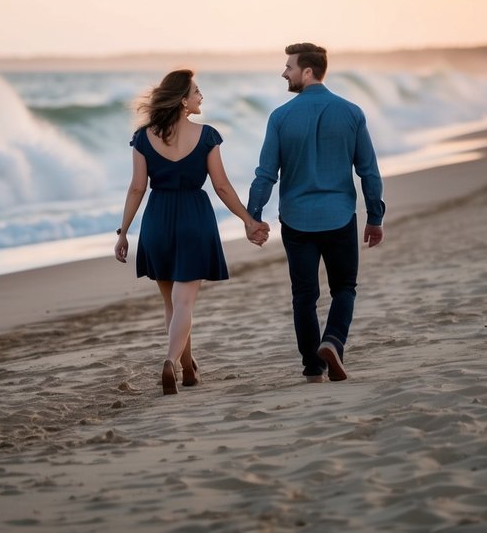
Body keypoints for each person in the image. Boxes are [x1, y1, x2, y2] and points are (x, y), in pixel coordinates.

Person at [115, 69, 269, 395]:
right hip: (194, 219)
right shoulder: (208, 135)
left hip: (157, 220)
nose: (201, 97)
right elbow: (222, 187)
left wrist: (124, 231)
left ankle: (188, 368)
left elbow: (136, 188)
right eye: (197, 92)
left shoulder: (144, 137)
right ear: (184, 100)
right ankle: (171, 362)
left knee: (172, 306)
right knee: (184, 303)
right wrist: (247, 220)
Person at [246, 43, 385, 383]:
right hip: (339, 216)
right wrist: (375, 216)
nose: (284, 72)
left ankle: (312, 368)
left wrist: (254, 215)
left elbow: (266, 174)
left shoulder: (280, 117)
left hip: (296, 219)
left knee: (304, 296)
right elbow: (368, 170)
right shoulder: (351, 112)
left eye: (289, 67)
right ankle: (333, 341)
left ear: (307, 71)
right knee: (344, 288)